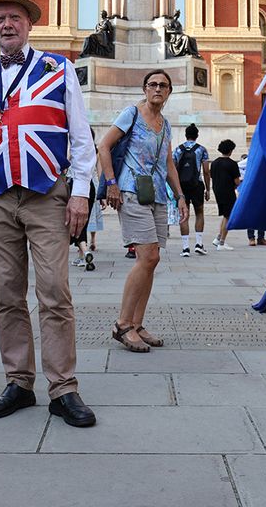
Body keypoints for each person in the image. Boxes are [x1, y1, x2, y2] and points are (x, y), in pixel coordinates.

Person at [0, 0, 97, 428]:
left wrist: (79, 194)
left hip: (46, 193)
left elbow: (80, 136)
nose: (7, 23)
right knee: (6, 294)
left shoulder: (58, 69)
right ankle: (19, 381)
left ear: (29, 23)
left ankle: (63, 388)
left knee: (55, 291)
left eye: (15, 16)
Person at [98, 69, 188, 355]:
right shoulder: (131, 114)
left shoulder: (166, 124)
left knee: (152, 259)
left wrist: (180, 195)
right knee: (147, 256)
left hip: (157, 195)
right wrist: (111, 183)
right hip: (131, 190)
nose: (157, 89)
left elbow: (169, 164)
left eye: (163, 85)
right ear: (144, 88)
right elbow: (104, 146)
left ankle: (137, 323)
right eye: (152, 84)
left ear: (169, 91)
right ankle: (122, 324)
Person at [173, 123, 211, 257]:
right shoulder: (201, 149)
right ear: (197, 135)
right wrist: (208, 189)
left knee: (184, 215)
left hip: (181, 186)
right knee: (199, 213)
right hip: (197, 185)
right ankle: (199, 244)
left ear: (186, 135)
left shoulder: (178, 149)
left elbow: (173, 170)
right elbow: (206, 171)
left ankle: (185, 248)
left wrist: (175, 190)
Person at [209, 139, 241, 251]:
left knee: (225, 215)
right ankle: (222, 242)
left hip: (217, 191)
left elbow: (212, 176)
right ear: (231, 150)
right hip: (228, 192)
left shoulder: (214, 163)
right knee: (229, 216)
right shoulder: (232, 164)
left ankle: (218, 238)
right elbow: (237, 181)